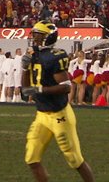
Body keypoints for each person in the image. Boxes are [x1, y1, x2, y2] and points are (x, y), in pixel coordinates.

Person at [22, 21, 95, 182]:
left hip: (59, 115)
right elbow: (25, 88)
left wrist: (40, 90)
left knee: (75, 160)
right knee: (31, 158)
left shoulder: (55, 56)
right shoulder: (34, 53)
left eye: (37, 35)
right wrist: (25, 67)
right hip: (42, 115)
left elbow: (66, 87)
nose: (34, 38)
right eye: (33, 34)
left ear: (47, 37)